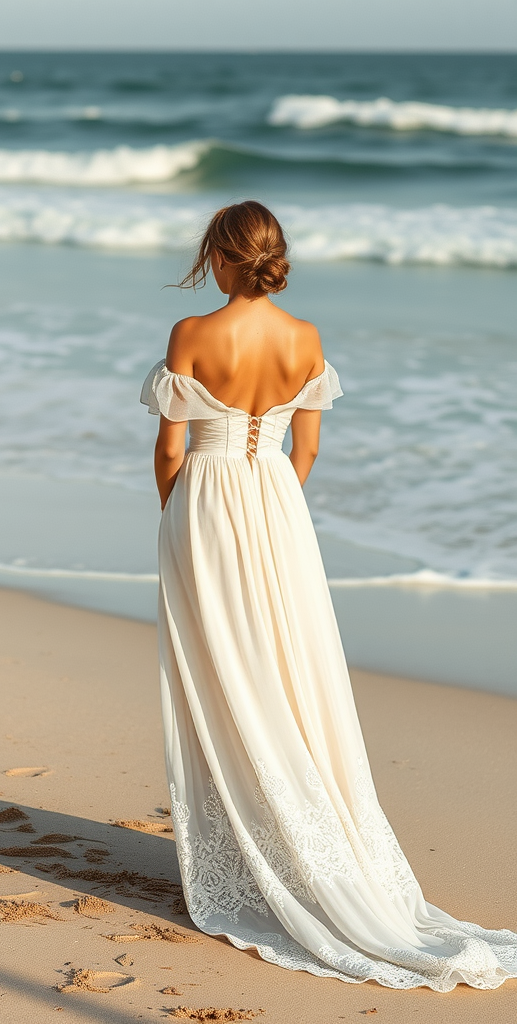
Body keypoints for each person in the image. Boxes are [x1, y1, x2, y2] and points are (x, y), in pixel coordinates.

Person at [140, 200, 517, 990]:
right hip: (281, 507)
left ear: (219, 255)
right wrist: (269, 507)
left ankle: (256, 845)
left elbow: (169, 451)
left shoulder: (191, 337)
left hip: (203, 506)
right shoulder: (306, 341)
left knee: (224, 675)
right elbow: (304, 452)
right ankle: (303, 837)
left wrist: (184, 520)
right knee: (288, 670)